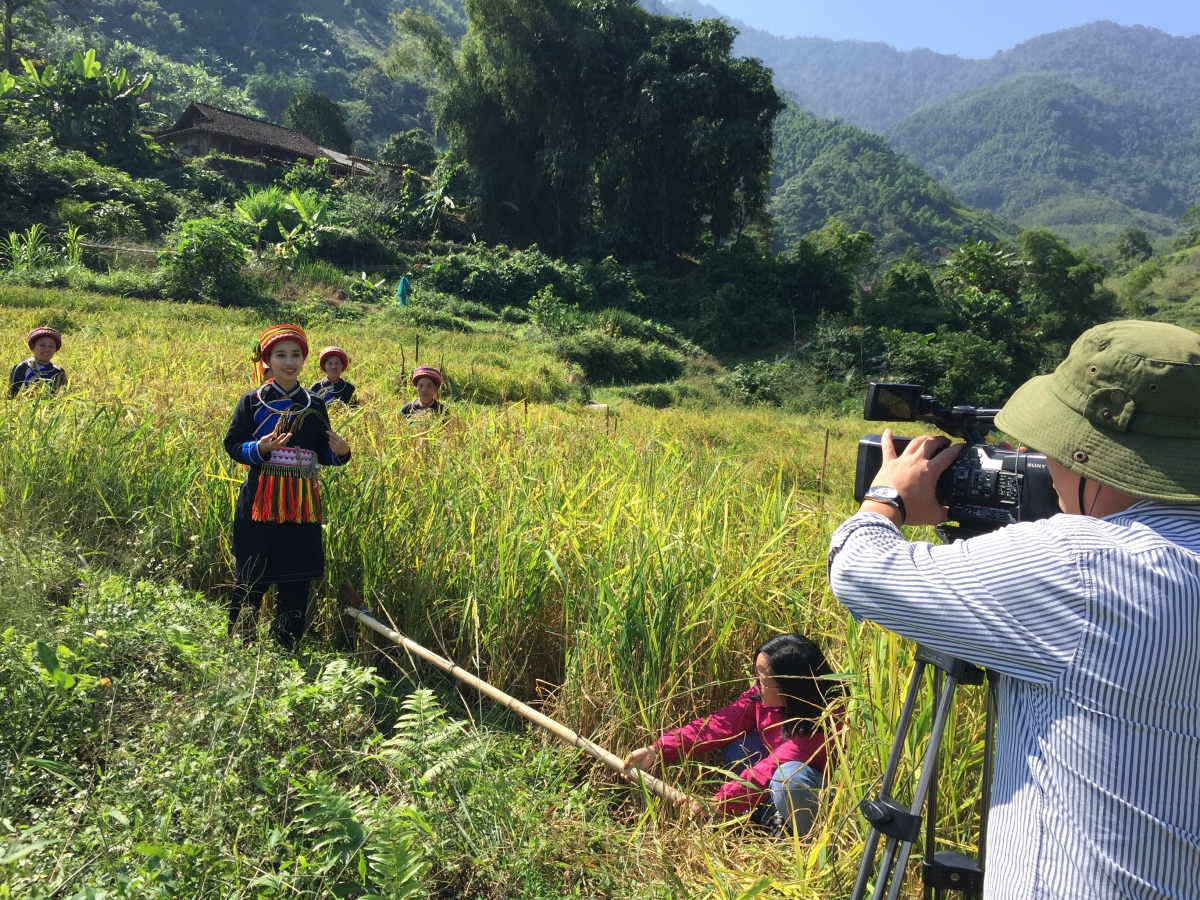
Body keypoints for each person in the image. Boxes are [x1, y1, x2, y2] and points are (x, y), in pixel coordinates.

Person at [828, 320, 1200, 898]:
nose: (1043, 467)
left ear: (1089, 455)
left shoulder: (1080, 564)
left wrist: (889, 496)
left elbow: (860, 571)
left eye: (1049, 447)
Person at [624, 632, 834, 836]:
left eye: (762, 680)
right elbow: (717, 725)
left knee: (788, 778)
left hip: (815, 792)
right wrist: (657, 749)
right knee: (738, 746)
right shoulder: (762, 697)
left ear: (790, 688)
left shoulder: (825, 719)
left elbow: (771, 768)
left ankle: (811, 839)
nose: (755, 684)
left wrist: (720, 802)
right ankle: (770, 819)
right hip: (776, 775)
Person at [223, 323, 352, 649]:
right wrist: (260, 449)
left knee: (297, 577)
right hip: (259, 502)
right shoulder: (251, 402)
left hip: (302, 504)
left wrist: (341, 453)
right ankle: (240, 644)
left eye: (296, 354)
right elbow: (233, 444)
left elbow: (320, 454)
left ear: (304, 360)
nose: (289, 361)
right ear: (267, 360)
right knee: (252, 574)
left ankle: (285, 648)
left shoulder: (315, 403)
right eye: (280, 355)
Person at [9, 327, 67, 399]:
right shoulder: (22, 367)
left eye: (51, 346)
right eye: (42, 345)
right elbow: (11, 396)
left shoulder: (58, 371)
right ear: (33, 347)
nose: (47, 349)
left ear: (55, 349)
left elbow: (64, 396)